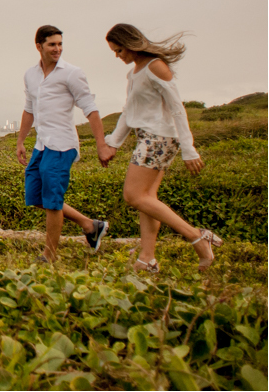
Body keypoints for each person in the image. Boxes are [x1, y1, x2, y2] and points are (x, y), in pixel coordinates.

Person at [104, 23, 220, 272]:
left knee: (133, 195)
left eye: (119, 50)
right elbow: (129, 111)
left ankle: (197, 237)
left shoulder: (155, 66)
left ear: (131, 44)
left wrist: (189, 149)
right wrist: (113, 142)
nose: (117, 56)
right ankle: (147, 258)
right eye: (114, 51)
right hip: (148, 137)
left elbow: (177, 108)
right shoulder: (134, 73)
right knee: (147, 199)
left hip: (159, 138)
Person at [17, 25, 113, 263]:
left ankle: (49, 256)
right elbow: (29, 109)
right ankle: (90, 225)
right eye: (52, 44)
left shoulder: (71, 73)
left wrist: (101, 145)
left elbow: (90, 109)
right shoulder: (30, 75)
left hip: (62, 145)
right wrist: (20, 141)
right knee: (35, 195)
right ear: (39, 46)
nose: (57, 49)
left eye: (60, 44)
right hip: (42, 144)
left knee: (52, 201)